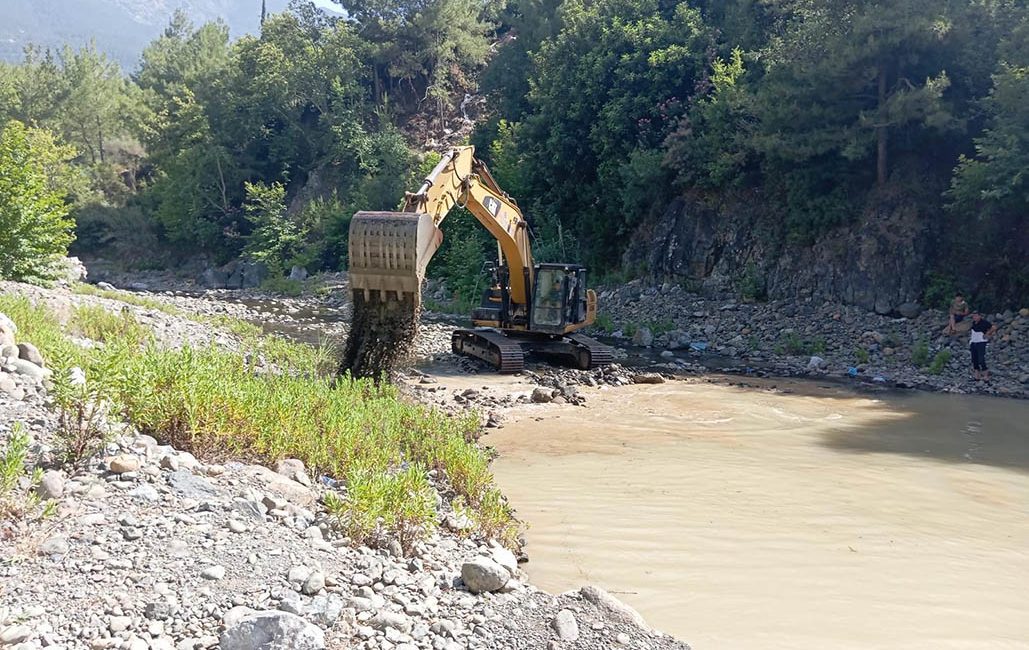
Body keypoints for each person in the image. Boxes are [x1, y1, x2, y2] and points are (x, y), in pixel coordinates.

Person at [968, 312, 997, 381]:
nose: (975, 318)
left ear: (980, 316)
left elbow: (993, 327)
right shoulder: (973, 323)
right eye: (974, 316)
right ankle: (976, 375)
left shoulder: (984, 322)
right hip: (973, 342)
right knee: (974, 359)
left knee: (981, 359)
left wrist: (987, 334)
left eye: (976, 316)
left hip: (981, 342)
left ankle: (986, 375)